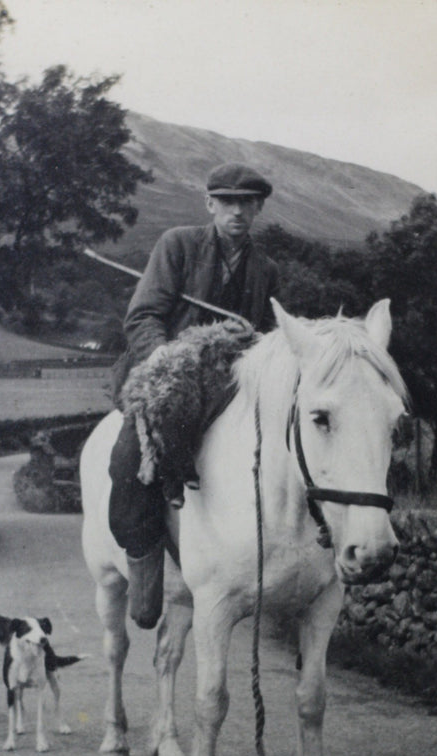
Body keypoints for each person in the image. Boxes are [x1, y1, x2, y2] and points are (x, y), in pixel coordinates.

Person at [109, 162, 280, 629]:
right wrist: (167, 362)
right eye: (227, 202)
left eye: (246, 203)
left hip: (230, 385)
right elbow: (142, 316)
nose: (237, 212)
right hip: (168, 377)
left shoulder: (265, 268)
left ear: (258, 208)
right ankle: (145, 574)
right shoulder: (178, 246)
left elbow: (267, 337)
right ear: (210, 205)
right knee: (128, 463)